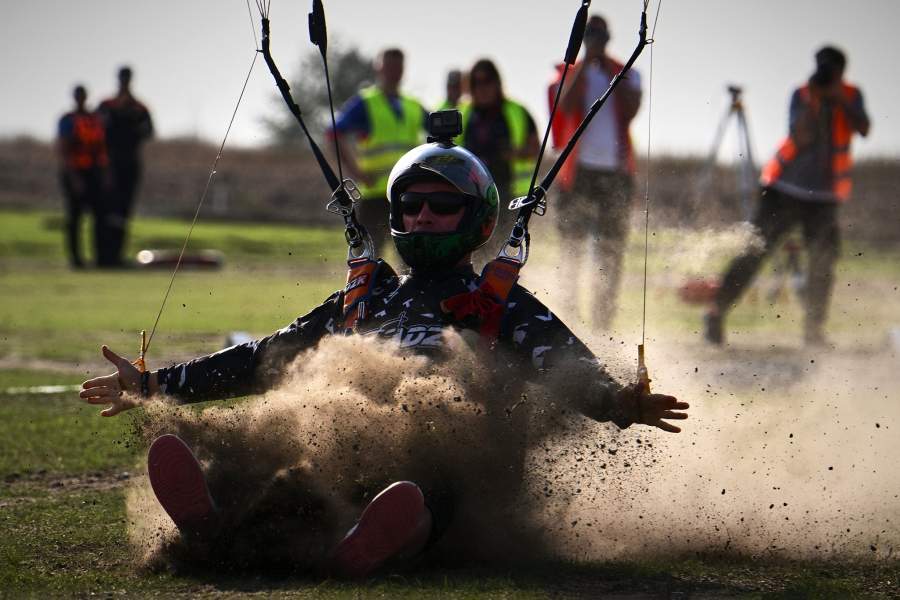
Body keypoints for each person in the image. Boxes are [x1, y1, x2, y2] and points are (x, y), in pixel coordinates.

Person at [80, 138, 688, 577]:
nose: (422, 216)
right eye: (410, 206)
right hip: (328, 452)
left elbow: (563, 361)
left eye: (440, 206)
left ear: (476, 221)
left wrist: (617, 402)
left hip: (436, 462)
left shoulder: (496, 302)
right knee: (268, 448)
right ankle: (218, 519)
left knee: (426, 482)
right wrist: (155, 382)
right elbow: (264, 357)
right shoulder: (365, 298)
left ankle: (385, 537)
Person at [704, 46, 870, 347]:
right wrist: (817, 101)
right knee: (754, 252)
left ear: (842, 72)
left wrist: (840, 99)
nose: (824, 73)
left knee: (823, 262)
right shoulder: (803, 94)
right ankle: (716, 313)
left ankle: (814, 331)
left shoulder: (851, 94)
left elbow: (864, 127)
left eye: (830, 69)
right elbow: (801, 136)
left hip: (825, 196)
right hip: (784, 191)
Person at [548, 14, 642, 330]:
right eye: (591, 35)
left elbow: (631, 110)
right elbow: (565, 106)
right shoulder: (571, 74)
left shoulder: (625, 72)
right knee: (571, 247)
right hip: (578, 175)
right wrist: (587, 61)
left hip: (615, 175)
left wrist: (611, 70)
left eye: (600, 35)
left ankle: (603, 322)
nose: (596, 40)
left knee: (610, 252)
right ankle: (568, 317)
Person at [328, 48, 428, 253]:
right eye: (389, 66)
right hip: (375, 195)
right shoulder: (365, 102)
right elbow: (333, 134)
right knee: (369, 258)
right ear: (378, 68)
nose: (394, 72)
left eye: (398, 67)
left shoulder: (414, 105)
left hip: (408, 194)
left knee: (414, 259)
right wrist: (355, 172)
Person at [456, 59, 539, 244]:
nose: (482, 88)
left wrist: (515, 153)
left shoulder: (517, 111)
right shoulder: (462, 113)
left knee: (506, 247)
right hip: (473, 196)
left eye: (488, 81)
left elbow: (535, 149)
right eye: (476, 83)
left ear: (497, 83)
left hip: (511, 196)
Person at [98, 66, 154, 267]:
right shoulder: (106, 105)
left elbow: (149, 132)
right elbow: (98, 133)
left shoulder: (139, 108)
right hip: (107, 164)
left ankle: (117, 256)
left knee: (123, 212)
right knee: (106, 212)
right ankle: (103, 256)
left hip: (129, 164)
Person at [57, 84, 109, 269]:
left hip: (94, 172)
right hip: (76, 172)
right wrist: (74, 178)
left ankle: (100, 257)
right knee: (75, 218)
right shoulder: (67, 120)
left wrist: (104, 174)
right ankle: (76, 259)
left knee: (99, 217)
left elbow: (101, 149)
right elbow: (64, 150)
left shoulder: (95, 119)